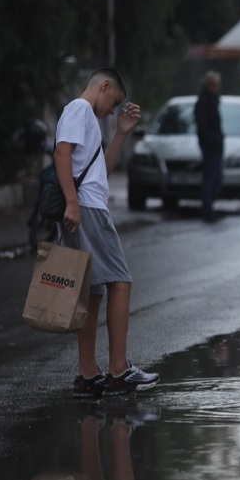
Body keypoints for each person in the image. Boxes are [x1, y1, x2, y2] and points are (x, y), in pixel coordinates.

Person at [56, 67, 160, 397]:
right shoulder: (80, 109)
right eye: (114, 103)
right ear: (103, 86)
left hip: (87, 206)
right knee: (120, 282)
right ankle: (119, 370)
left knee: (94, 292)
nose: (113, 111)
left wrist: (122, 133)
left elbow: (102, 170)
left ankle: (88, 375)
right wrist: (72, 202)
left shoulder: (87, 117)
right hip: (88, 209)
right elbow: (61, 153)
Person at [195, 71, 224, 222]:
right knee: (211, 177)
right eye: (212, 84)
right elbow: (203, 126)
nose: (214, 87)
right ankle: (207, 209)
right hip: (210, 145)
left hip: (215, 144)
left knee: (216, 177)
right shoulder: (204, 101)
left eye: (216, 84)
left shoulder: (213, 100)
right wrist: (212, 140)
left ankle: (209, 207)